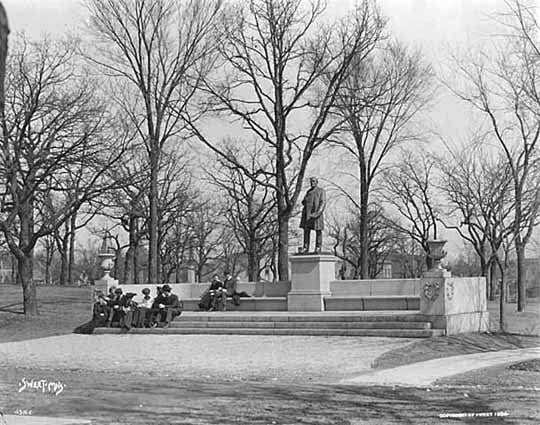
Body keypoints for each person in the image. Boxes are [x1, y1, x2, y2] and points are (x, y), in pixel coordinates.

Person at [300, 176, 326, 253]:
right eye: (311, 181)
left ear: (317, 182)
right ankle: (305, 247)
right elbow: (304, 201)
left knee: (318, 230)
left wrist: (318, 213)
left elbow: (323, 202)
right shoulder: (308, 192)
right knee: (306, 230)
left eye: (314, 181)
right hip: (307, 213)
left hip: (316, 213)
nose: (312, 183)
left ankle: (318, 247)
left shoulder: (321, 191)